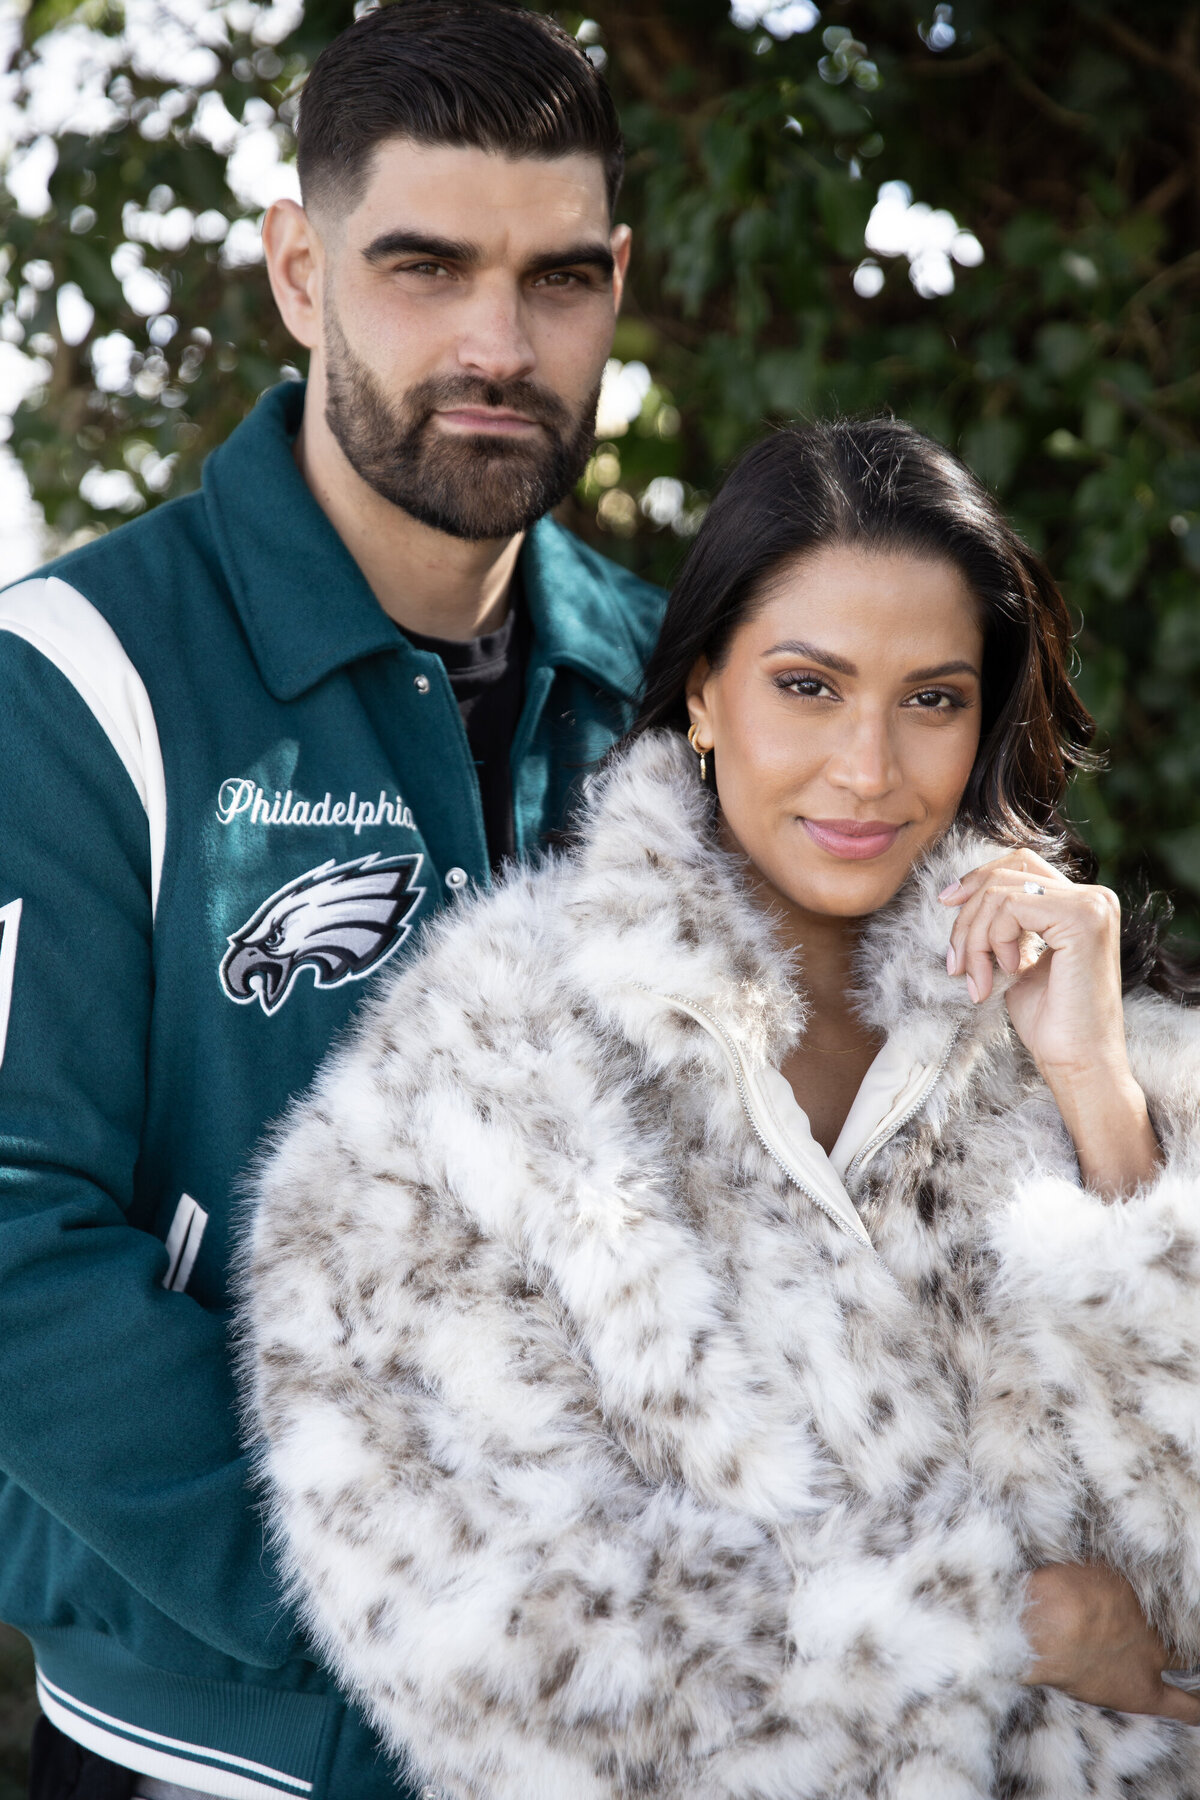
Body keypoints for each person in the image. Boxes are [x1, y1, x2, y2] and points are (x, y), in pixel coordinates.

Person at [243, 417, 1200, 1800]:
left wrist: (1100, 1098)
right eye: (808, 687)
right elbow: (479, 1638)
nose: (868, 768)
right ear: (702, 692)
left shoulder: (1101, 1047)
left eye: (932, 700)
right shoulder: (486, 1069)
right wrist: (1003, 1627)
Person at [0, 5, 663, 1798]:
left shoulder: (687, 694)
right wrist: (408, 1607)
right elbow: (14, 1237)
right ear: (301, 272)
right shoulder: (72, 681)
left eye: (555, 280)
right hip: (214, 1751)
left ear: (616, 284)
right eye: (423, 266)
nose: (497, 344)